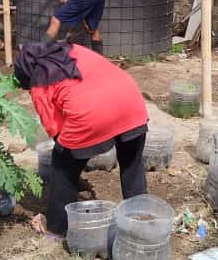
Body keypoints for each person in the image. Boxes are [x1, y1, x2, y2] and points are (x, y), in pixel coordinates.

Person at [14, 42, 148, 239]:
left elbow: (55, 130)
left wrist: (75, 162)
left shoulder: (38, 82)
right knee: (132, 163)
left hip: (93, 113)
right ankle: (139, 218)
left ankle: (55, 226)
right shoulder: (71, 49)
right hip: (132, 101)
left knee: (62, 162)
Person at [33, 0, 106, 53]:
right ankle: (100, 61)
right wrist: (85, 23)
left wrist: (70, 32)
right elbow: (78, 9)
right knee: (93, 29)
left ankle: (38, 52)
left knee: (56, 19)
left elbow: (67, 4)